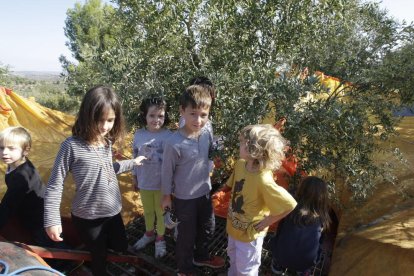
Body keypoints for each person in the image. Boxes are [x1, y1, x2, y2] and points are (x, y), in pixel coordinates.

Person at [44, 85, 146, 276]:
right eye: (99, 120)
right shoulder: (71, 146)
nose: (105, 126)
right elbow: (55, 184)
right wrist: (52, 219)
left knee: (120, 245)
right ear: (86, 115)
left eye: (110, 120)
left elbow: (107, 169)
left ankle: (106, 250)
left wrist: (133, 163)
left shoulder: (106, 142)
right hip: (88, 217)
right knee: (99, 257)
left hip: (112, 211)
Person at [161, 85, 225, 275]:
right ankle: (184, 268)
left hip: (204, 192)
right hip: (184, 198)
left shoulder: (206, 133)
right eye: (193, 114)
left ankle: (201, 257)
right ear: (182, 111)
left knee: (208, 227)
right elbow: (166, 172)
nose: (198, 120)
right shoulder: (174, 143)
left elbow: (209, 153)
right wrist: (166, 197)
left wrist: (213, 161)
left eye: (203, 115)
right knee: (186, 236)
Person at [221, 124, 297, 275]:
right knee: (233, 259)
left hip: (250, 236)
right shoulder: (240, 164)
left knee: (247, 270)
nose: (239, 144)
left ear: (254, 150)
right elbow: (232, 183)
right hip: (234, 227)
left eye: (242, 142)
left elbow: (290, 204)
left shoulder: (263, 179)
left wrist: (269, 220)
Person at [0, 126, 79, 272]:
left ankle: (69, 263)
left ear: (25, 151)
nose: (5, 152)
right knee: (46, 239)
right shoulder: (16, 164)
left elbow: (8, 205)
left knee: (47, 241)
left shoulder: (21, 177)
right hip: (31, 210)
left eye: (11, 148)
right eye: (1, 147)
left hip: (39, 216)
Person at [131, 96, 172, 258]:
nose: (156, 120)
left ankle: (160, 238)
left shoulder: (170, 136)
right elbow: (134, 156)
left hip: (162, 185)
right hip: (144, 182)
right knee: (148, 211)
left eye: (160, 116)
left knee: (160, 212)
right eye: (152, 116)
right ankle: (149, 234)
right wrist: (134, 177)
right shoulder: (138, 135)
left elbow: (173, 163)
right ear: (145, 116)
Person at [270, 176, 331, 276]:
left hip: (281, 255)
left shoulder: (290, 208)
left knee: (279, 237)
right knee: (318, 244)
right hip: (305, 262)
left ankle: (278, 265)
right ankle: (303, 271)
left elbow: (280, 229)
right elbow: (320, 240)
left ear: (301, 190)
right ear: (323, 198)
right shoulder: (322, 218)